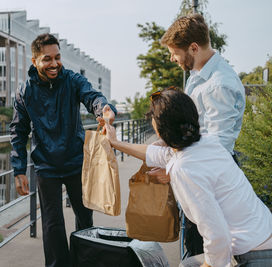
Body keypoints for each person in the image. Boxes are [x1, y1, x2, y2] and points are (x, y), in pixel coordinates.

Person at [104, 88, 272, 267]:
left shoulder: (184, 169)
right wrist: (116, 143)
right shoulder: (207, 142)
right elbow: (159, 154)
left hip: (253, 255)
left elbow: (217, 236)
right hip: (261, 237)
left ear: (160, 131)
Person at [10, 33, 117, 267]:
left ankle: (85, 262)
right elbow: (18, 130)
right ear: (34, 61)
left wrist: (105, 111)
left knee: (85, 218)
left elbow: (93, 97)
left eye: (57, 57)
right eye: (47, 59)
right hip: (46, 166)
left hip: (76, 160)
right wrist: (19, 169)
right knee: (52, 223)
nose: (54, 64)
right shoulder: (25, 91)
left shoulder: (72, 80)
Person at [150, 13, 247, 256]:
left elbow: (217, 148)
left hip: (208, 179)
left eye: (174, 52)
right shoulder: (199, 74)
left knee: (200, 250)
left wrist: (172, 171)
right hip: (198, 171)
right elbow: (194, 128)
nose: (172, 58)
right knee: (192, 245)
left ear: (193, 48)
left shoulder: (219, 85)